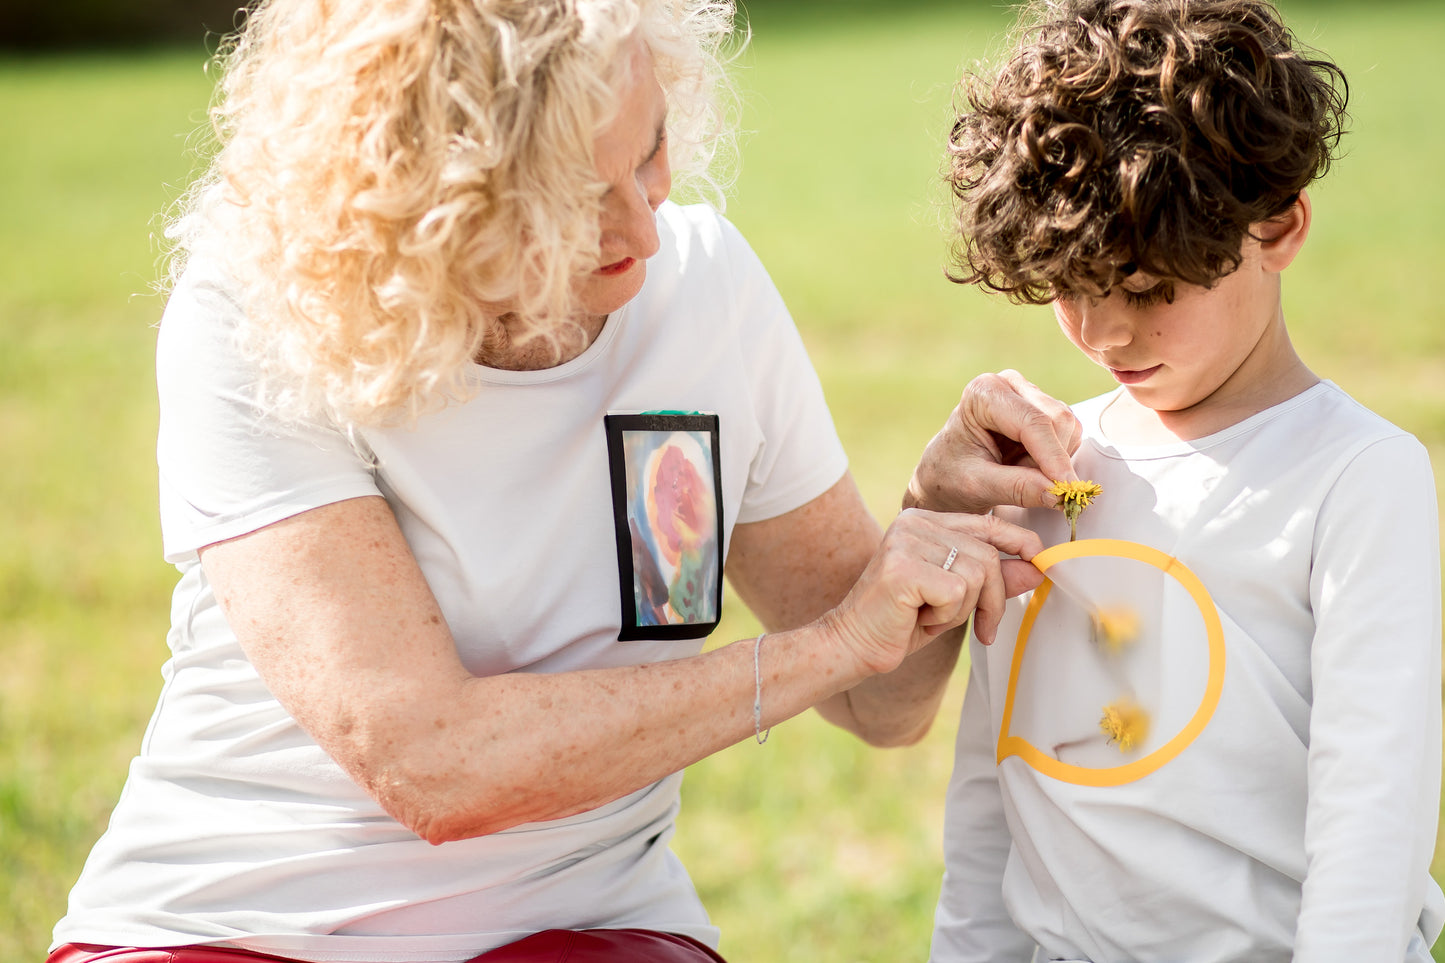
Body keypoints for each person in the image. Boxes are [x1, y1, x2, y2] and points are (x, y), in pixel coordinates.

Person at [47, 2, 1082, 962]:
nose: (639, 231)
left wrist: (941, 523)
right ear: (428, 206)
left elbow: (875, 704)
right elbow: (431, 766)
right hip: (237, 921)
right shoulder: (264, 315)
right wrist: (826, 644)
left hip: (583, 922)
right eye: (570, 203)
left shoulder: (705, 286)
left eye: (651, 152)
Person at [929, 0, 1444, 960]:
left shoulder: (1358, 476)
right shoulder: (1047, 466)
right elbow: (995, 782)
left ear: (1278, 225)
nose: (1101, 333)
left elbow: (1372, 815)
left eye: (1146, 288)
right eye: (1070, 284)